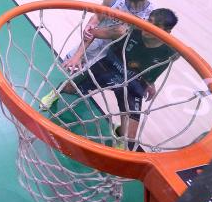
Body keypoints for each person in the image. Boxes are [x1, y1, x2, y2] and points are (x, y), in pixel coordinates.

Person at [43, 9, 179, 151]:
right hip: (108, 68)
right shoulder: (125, 30)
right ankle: (54, 93)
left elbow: (155, 67)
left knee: (129, 137)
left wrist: (150, 83)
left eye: (156, 26)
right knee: (69, 88)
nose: (148, 26)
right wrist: (79, 54)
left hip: (133, 83)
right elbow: (93, 33)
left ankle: (119, 133)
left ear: (167, 32)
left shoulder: (173, 52)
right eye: (149, 21)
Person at [61, 0, 161, 75]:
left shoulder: (150, 16)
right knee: (66, 67)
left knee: (79, 85)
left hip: (114, 57)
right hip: (93, 43)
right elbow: (97, 18)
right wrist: (78, 55)